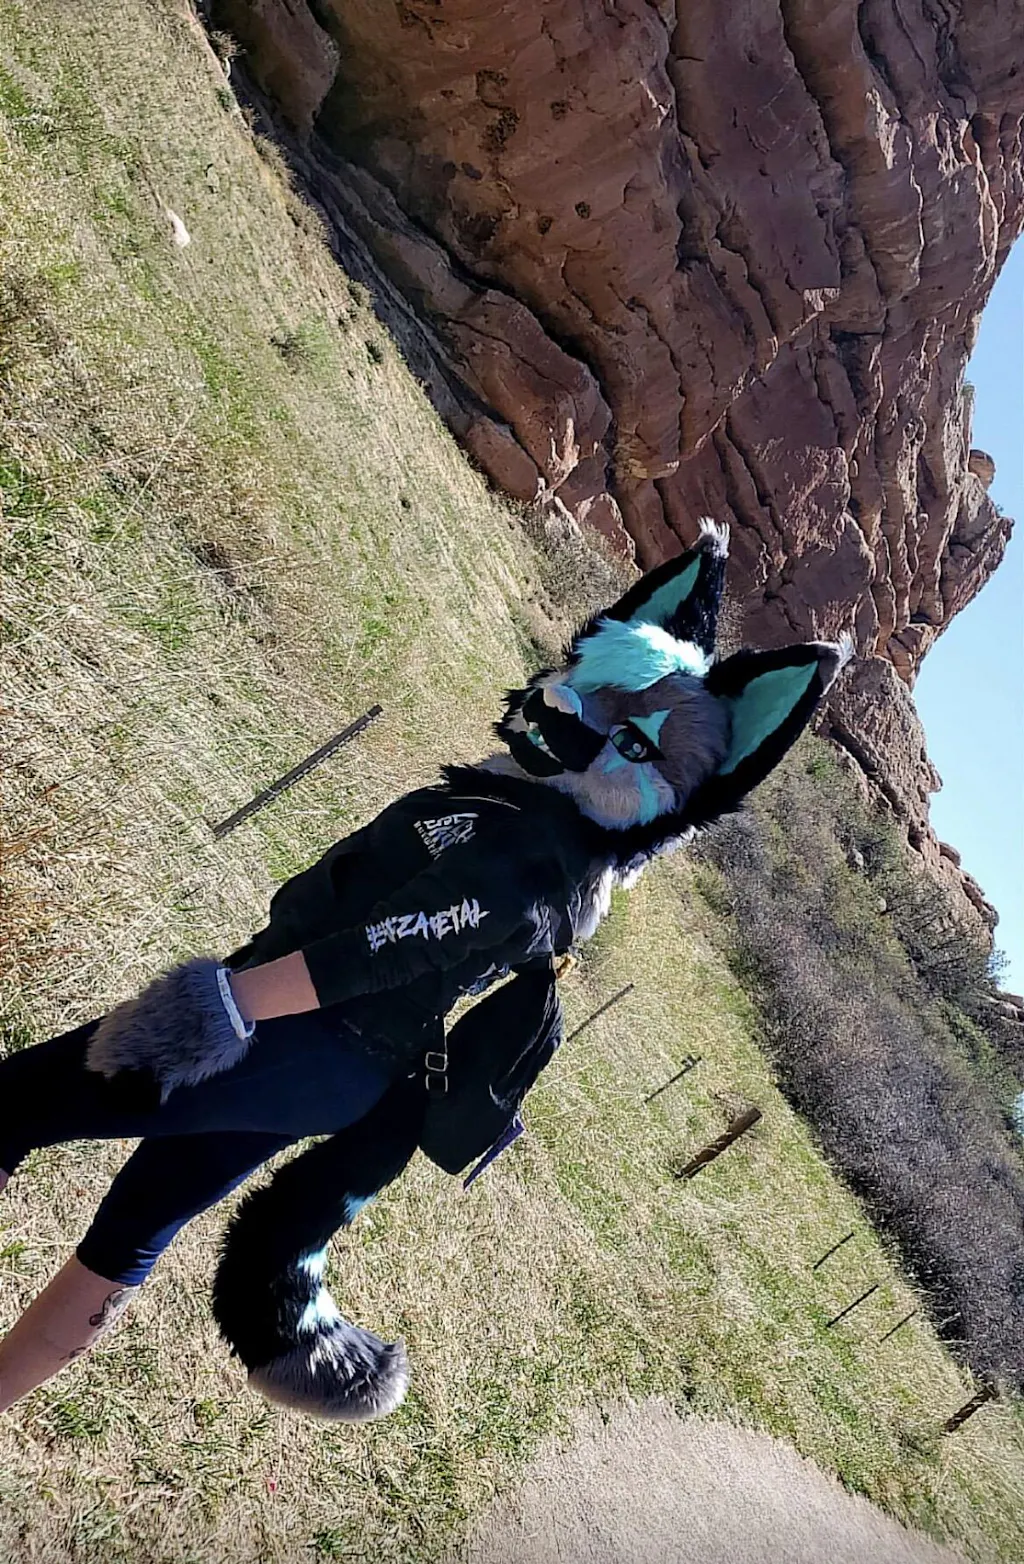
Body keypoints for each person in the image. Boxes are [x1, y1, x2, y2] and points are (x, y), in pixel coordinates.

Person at [0, 520, 850, 1421]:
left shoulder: (541, 858)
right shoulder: (514, 800)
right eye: (597, 692)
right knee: (127, 1237)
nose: (576, 714)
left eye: (630, 742)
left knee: (13, 1108)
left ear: (673, 798)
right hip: (304, 1043)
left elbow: (395, 943)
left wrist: (222, 1009)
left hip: (301, 1037)